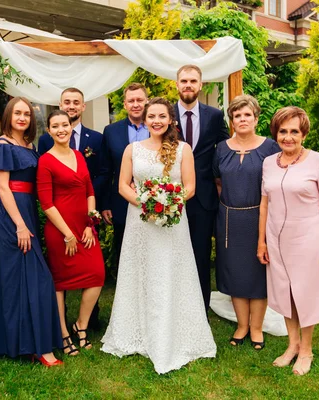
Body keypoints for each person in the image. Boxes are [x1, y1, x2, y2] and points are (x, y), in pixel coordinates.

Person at [101, 97, 216, 374]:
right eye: (151, 116)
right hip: (140, 221)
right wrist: (148, 203)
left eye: (161, 116)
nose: (156, 121)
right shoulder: (133, 149)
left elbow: (189, 187)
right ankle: (136, 330)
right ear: (146, 118)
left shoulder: (182, 150)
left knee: (171, 271)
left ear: (170, 120)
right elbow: (123, 186)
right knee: (141, 271)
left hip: (172, 221)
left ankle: (176, 332)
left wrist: (168, 204)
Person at [257, 106, 319, 376]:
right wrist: (262, 241)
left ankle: (306, 350)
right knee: (285, 292)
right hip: (276, 239)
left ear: (303, 134)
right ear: (275, 134)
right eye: (283, 131)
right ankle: (292, 345)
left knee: (305, 294)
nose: (288, 137)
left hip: (308, 239)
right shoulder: (269, 163)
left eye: (294, 131)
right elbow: (264, 205)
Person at [0, 97, 63, 367]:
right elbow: (3, 187)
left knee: (25, 280)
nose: (22, 117)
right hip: (12, 217)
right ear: (8, 115)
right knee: (31, 279)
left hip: (28, 209)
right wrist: (20, 224)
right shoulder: (3, 145)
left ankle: (26, 343)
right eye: (17, 113)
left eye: (27, 114)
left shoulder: (30, 146)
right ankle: (38, 348)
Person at [213, 95, 281, 350]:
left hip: (259, 218)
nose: (242, 119)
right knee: (234, 273)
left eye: (247, 115)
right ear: (232, 120)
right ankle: (242, 325)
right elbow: (217, 182)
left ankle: (256, 327)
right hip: (229, 219)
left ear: (255, 118)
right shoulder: (221, 148)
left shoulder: (270, 148)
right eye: (237, 116)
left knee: (257, 274)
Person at [37, 110, 105, 357]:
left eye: (64, 125)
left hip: (84, 227)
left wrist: (90, 223)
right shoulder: (45, 160)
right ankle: (64, 333)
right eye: (55, 126)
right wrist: (67, 234)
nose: (61, 129)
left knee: (97, 275)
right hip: (60, 231)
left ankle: (81, 325)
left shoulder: (78, 155)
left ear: (70, 125)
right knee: (60, 282)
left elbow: (89, 190)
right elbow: (46, 203)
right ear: (49, 131)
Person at [174, 64, 230, 311]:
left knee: (200, 254)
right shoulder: (164, 114)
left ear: (201, 84)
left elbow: (226, 148)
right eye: (184, 80)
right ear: (177, 84)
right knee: (171, 255)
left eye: (193, 81)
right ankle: (174, 307)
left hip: (204, 199)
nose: (188, 85)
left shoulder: (215, 116)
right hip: (168, 196)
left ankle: (200, 310)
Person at [100, 83, 149, 263]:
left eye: (139, 100)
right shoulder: (111, 131)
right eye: (131, 101)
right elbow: (106, 170)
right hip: (120, 200)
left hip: (153, 196)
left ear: (147, 101)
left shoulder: (158, 128)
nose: (135, 104)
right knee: (124, 250)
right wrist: (105, 204)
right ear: (125, 104)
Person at [38, 88, 105, 201]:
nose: (72, 106)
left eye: (76, 102)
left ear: (83, 106)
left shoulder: (97, 138)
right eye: (67, 102)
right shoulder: (45, 140)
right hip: (59, 202)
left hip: (91, 202)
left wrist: (89, 195)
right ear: (60, 105)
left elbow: (103, 173)